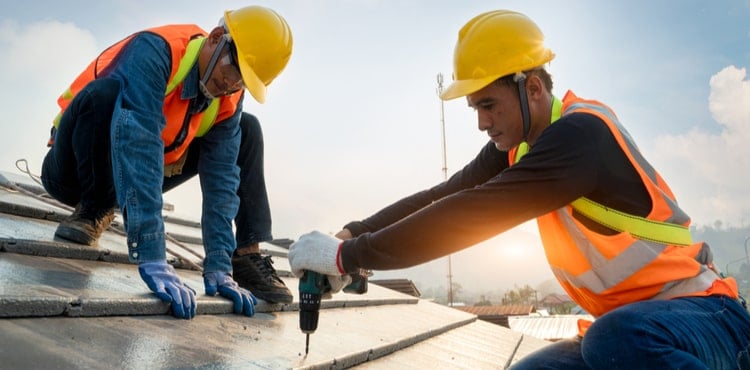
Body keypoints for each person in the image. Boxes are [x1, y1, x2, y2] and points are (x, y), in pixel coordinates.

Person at [289, 9, 750, 369]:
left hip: (706, 318)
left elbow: (470, 215)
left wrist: (346, 259)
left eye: (488, 105)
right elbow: (444, 196)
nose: (482, 122)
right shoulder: (519, 146)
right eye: (475, 108)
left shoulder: (579, 135)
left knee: (615, 340)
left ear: (531, 88)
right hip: (634, 329)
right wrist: (349, 234)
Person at [41, 5, 294, 319]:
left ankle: (245, 256)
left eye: (243, 81)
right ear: (216, 38)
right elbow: (139, 140)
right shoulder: (157, 51)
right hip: (72, 171)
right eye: (234, 70)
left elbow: (222, 180)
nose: (231, 85)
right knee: (105, 95)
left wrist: (218, 261)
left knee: (247, 130)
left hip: (131, 178)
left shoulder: (229, 96)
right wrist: (151, 251)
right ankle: (94, 208)